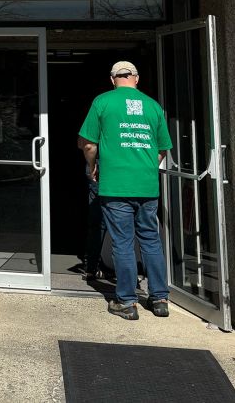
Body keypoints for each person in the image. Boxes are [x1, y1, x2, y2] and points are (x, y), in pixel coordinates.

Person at [77, 61, 172, 320]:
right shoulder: (153, 106)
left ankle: (126, 301)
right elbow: (163, 149)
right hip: (147, 186)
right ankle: (160, 298)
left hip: (116, 184)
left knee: (122, 242)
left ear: (112, 79)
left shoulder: (103, 102)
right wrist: (146, 168)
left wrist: (93, 166)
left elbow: (88, 145)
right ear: (136, 79)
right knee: (151, 241)